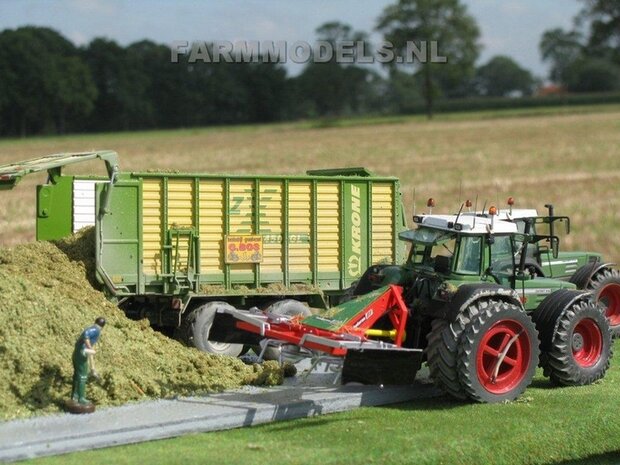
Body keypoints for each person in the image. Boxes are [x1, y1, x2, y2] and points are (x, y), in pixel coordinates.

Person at [70, 317, 105, 408]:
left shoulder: (94, 328)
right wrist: (89, 347)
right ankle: (81, 398)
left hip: (78, 353)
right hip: (82, 353)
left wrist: (89, 349)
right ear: (102, 326)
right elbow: (86, 334)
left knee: (77, 374)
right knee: (82, 376)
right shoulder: (96, 330)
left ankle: (74, 396)